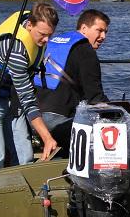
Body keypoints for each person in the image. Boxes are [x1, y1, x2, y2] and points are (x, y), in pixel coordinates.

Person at [0, 3, 59, 172]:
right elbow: (27, 99)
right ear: (29, 25)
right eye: (42, 34)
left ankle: (21, 187)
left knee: (25, 156)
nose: (47, 40)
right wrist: (47, 138)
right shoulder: (15, 49)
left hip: (9, 94)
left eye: (50, 35)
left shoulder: (34, 29)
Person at [35, 9, 111, 150]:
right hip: (57, 121)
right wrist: (117, 111)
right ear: (84, 28)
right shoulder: (85, 50)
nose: (103, 36)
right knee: (108, 136)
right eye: (99, 31)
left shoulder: (56, 41)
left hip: (34, 119)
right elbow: (95, 98)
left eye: (105, 32)